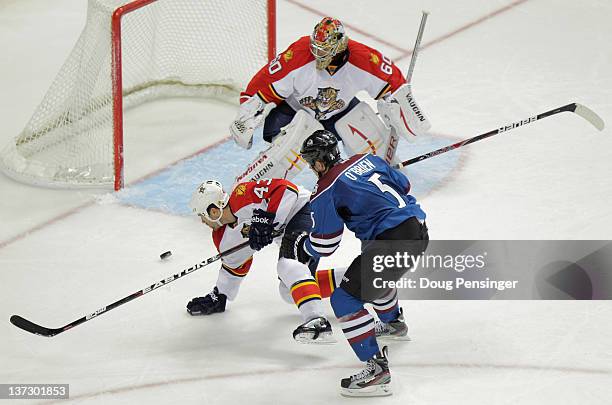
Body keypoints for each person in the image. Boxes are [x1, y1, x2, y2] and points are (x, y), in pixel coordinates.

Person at [287, 130, 429, 396]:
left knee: (344, 299)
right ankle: (393, 323)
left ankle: (377, 371)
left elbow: (326, 245)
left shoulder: (325, 188)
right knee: (370, 267)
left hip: (393, 242)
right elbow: (405, 186)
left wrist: (302, 243)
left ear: (318, 163)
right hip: (418, 229)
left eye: (310, 163)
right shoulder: (368, 159)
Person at [229, 16, 431, 184]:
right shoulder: (299, 54)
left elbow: (394, 82)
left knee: (367, 137)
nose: (317, 53)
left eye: (323, 49)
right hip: (293, 110)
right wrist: (246, 115)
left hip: (338, 111)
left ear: (339, 46)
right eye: (316, 47)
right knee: (289, 146)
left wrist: (398, 106)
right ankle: (257, 190)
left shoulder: (364, 58)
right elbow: (265, 81)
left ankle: (384, 180)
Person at [186, 178, 335, 344]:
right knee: (288, 292)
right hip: (289, 231)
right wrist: (221, 295)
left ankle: (318, 321)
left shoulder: (242, 194)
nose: (201, 221)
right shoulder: (223, 238)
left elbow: (286, 190)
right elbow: (236, 266)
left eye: (202, 215)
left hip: (306, 210)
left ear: (213, 211)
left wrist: (268, 220)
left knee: (288, 264)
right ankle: (359, 280)